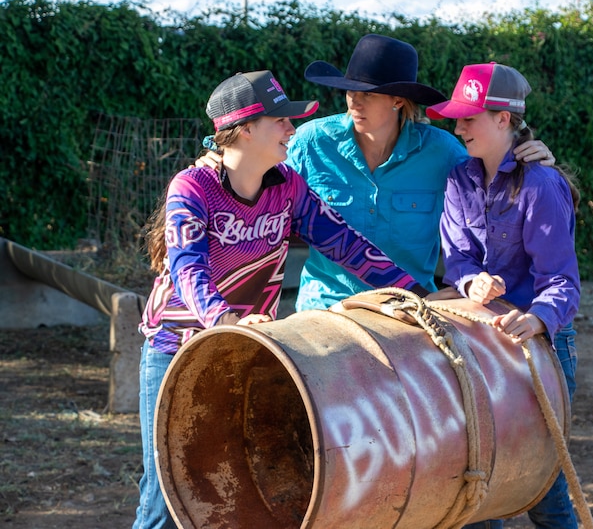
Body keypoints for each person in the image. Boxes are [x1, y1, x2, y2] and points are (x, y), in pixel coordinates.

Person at [133, 70, 429, 529]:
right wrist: (225, 319)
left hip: (245, 353)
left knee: (234, 491)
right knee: (164, 500)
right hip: (176, 350)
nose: (293, 131)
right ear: (246, 128)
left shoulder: (287, 186)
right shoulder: (192, 188)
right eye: (282, 122)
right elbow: (187, 270)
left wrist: (415, 291)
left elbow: (343, 242)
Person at [201, 34, 556, 311]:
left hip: (412, 307)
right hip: (326, 308)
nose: (354, 101)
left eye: (367, 94)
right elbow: (253, 171)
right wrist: (218, 159)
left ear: (398, 100)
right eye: (349, 92)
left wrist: (526, 157)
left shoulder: (443, 152)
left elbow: (494, 185)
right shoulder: (311, 142)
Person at [426, 62, 581, 529]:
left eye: (469, 118)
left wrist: (536, 320)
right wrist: (471, 281)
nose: (458, 128)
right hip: (479, 342)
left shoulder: (542, 185)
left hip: (538, 346)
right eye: (458, 118)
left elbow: (562, 281)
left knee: (543, 485)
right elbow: (457, 259)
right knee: (478, 479)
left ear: (503, 119)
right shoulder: (459, 180)